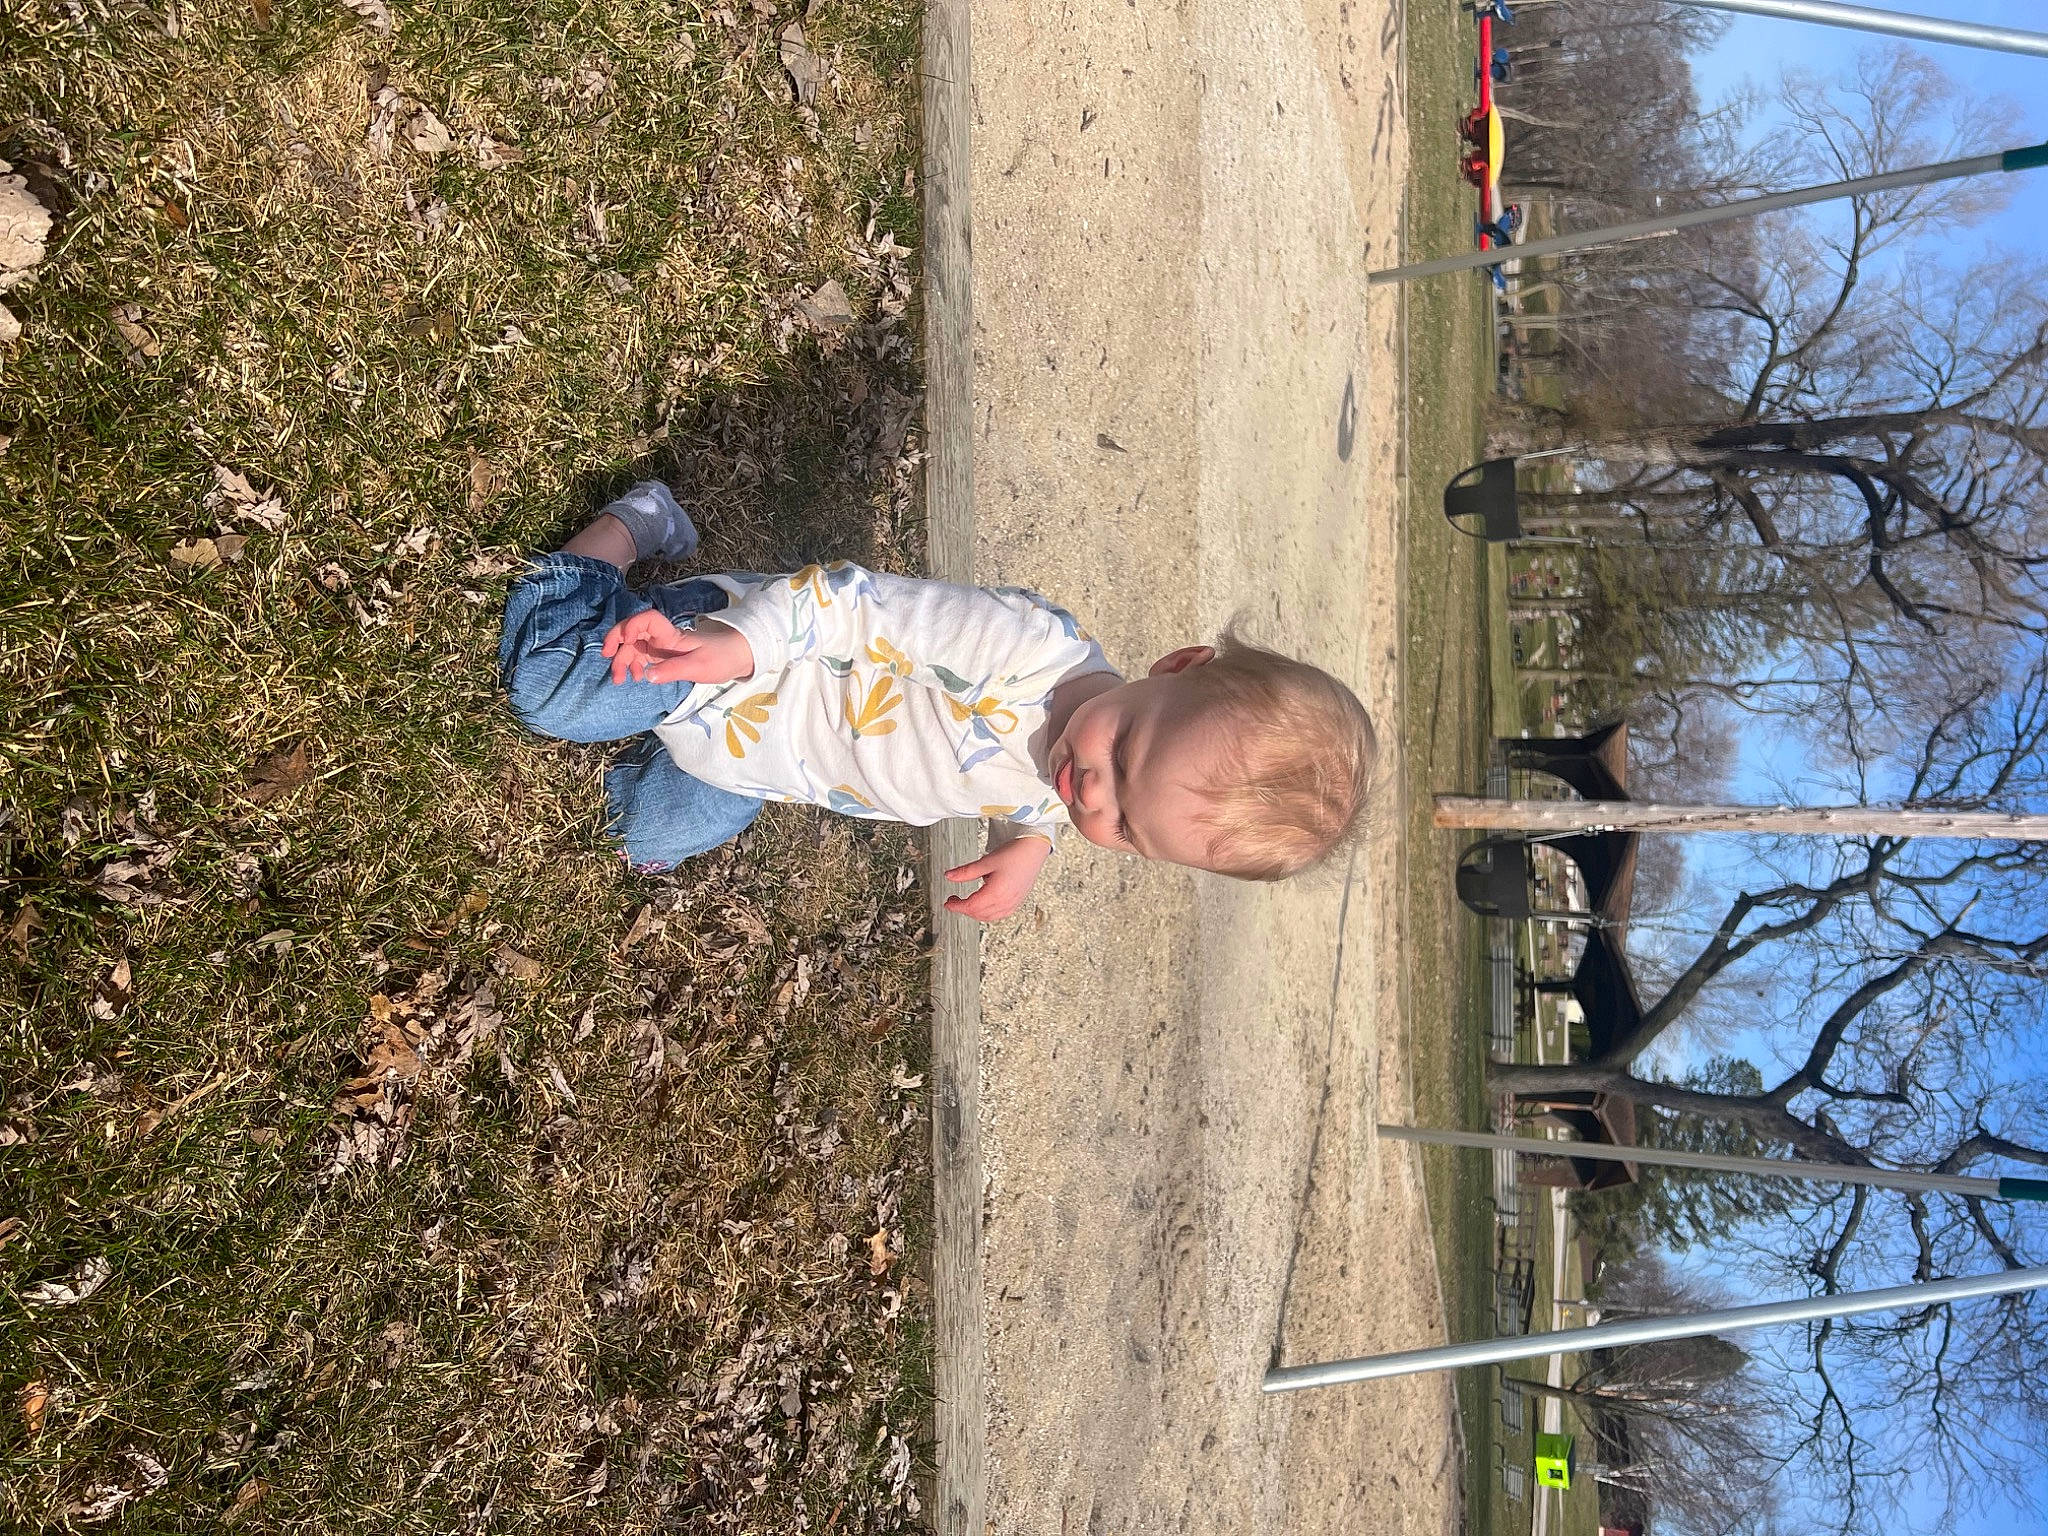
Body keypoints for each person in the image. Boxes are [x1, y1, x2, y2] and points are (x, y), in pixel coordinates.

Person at [500, 483, 1378, 921]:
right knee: (546, 686)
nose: (1093, 794)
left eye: (1127, 829)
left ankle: (666, 750)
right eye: (1125, 758)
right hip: (738, 658)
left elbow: (1032, 796)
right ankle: (632, 528)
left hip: (761, 760)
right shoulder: (1021, 650)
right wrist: (739, 646)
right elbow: (844, 601)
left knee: (644, 834)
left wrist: (1027, 839)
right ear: (1177, 665)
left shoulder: (1078, 786)